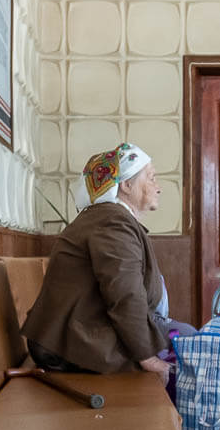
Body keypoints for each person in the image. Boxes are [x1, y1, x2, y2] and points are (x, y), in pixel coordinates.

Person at [21, 143, 194, 386]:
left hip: (80, 334)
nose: (159, 187)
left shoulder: (108, 218)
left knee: (190, 340)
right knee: (192, 349)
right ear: (126, 185)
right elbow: (125, 294)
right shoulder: (113, 223)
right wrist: (146, 357)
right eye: (152, 178)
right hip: (69, 346)